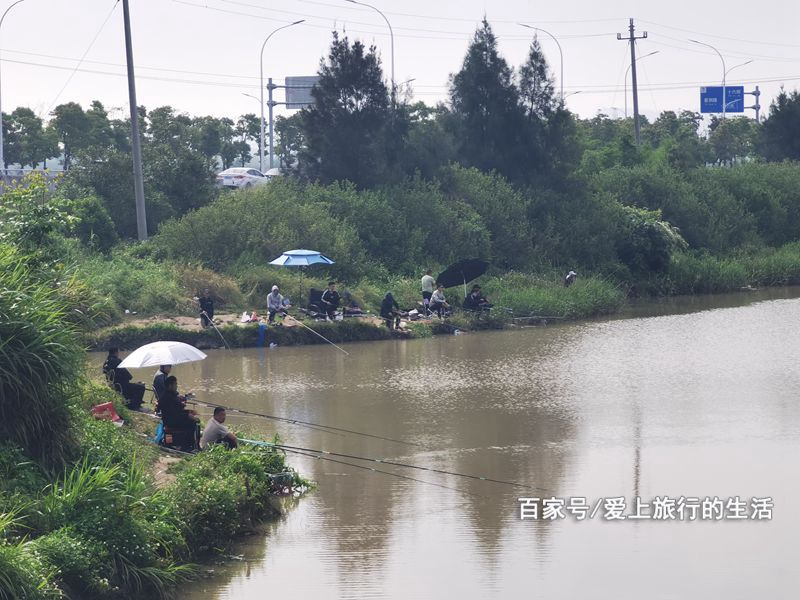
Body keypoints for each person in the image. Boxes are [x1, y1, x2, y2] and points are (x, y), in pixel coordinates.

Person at [159, 376, 200, 450]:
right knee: (195, 422)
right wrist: (188, 415)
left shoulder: (169, 395)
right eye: (175, 384)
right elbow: (174, 414)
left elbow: (177, 410)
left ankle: (190, 444)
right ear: (170, 386)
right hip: (171, 421)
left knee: (193, 420)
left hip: (172, 419)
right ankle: (190, 446)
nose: (176, 386)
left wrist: (189, 412)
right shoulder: (168, 397)